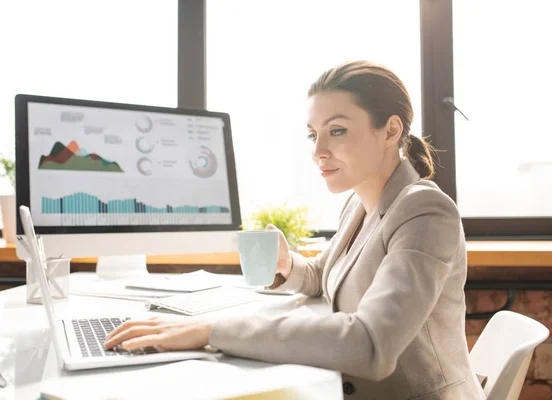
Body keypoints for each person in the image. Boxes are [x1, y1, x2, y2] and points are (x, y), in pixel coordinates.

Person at [104, 60, 486, 399]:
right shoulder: (359, 204)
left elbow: (371, 344)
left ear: (389, 131)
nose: (318, 150)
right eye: (312, 134)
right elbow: (326, 275)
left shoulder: (424, 211)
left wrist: (211, 329)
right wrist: (289, 267)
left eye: (336, 131)